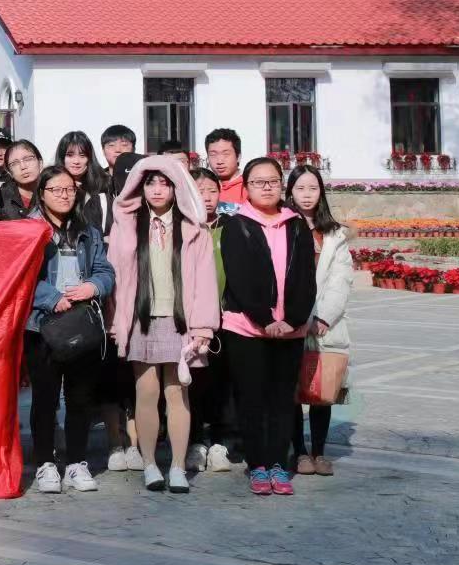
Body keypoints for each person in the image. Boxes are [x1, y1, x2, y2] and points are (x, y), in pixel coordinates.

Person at [108, 156, 220, 494]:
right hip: (140, 319)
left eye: (164, 183)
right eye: (150, 183)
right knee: (146, 392)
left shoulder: (193, 228)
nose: (157, 190)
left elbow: (205, 280)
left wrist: (203, 327)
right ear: (139, 187)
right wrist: (117, 322)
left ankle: (177, 466)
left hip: (180, 320)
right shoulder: (127, 223)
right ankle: (149, 464)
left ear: (176, 187)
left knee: (177, 392)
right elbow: (116, 275)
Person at [219, 156, 316, 496]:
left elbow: (307, 278)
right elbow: (239, 278)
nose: (267, 187)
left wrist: (292, 319)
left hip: (290, 330)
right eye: (259, 182)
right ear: (246, 187)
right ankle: (257, 464)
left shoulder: (297, 226)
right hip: (247, 328)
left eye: (273, 181)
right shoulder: (236, 226)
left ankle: (278, 463)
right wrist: (265, 319)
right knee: (252, 398)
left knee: (282, 399)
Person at [26, 165, 115, 496]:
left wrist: (94, 286)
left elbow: (105, 270)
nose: (64, 195)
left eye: (69, 189)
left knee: (81, 397)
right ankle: (46, 463)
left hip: (81, 322)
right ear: (42, 193)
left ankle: (77, 462)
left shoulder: (87, 231)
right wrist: (52, 298)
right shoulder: (28, 230)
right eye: (56, 189)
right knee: (45, 398)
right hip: (42, 326)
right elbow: (21, 277)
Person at [287, 164, 351, 476]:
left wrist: (324, 316)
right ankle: (299, 451)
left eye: (313, 188)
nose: (307, 194)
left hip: (327, 324)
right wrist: (299, 315)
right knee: (293, 391)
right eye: (300, 188)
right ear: (290, 192)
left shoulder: (334, 234)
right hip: (293, 322)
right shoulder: (283, 226)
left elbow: (342, 278)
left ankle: (319, 451)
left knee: (322, 391)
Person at [186, 166, 236, 473]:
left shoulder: (230, 227)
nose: (206, 197)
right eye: (199, 190)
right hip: (190, 321)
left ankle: (219, 442)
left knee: (221, 383)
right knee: (192, 384)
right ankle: (194, 442)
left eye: (212, 191)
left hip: (225, 319)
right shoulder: (182, 227)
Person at [56, 130, 113, 234]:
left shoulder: (105, 184)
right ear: (62, 158)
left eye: (82, 155)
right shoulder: (51, 187)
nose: (76, 161)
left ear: (89, 158)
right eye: (70, 155)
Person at [0, 140, 45, 217]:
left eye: (28, 159)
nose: (23, 166)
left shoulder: (51, 193)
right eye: (15, 163)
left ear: (40, 163)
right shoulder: (0, 198)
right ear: (9, 172)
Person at [205, 128, 246, 207]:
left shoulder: (250, 186)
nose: (219, 161)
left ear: (238, 157)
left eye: (226, 154)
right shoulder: (200, 187)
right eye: (213, 154)